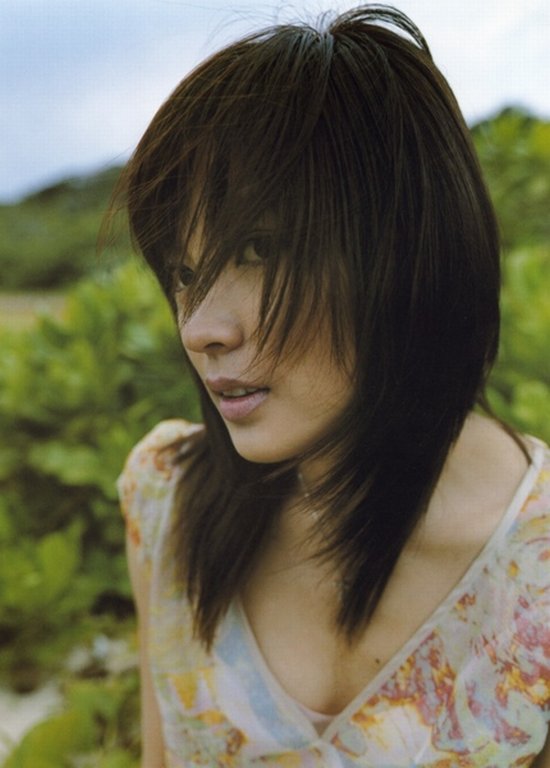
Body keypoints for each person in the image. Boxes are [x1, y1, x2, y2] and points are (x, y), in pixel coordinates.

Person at [115, 4, 550, 766]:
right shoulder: (168, 499)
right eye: (185, 273)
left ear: (405, 249)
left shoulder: (532, 571)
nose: (200, 327)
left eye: (258, 249)